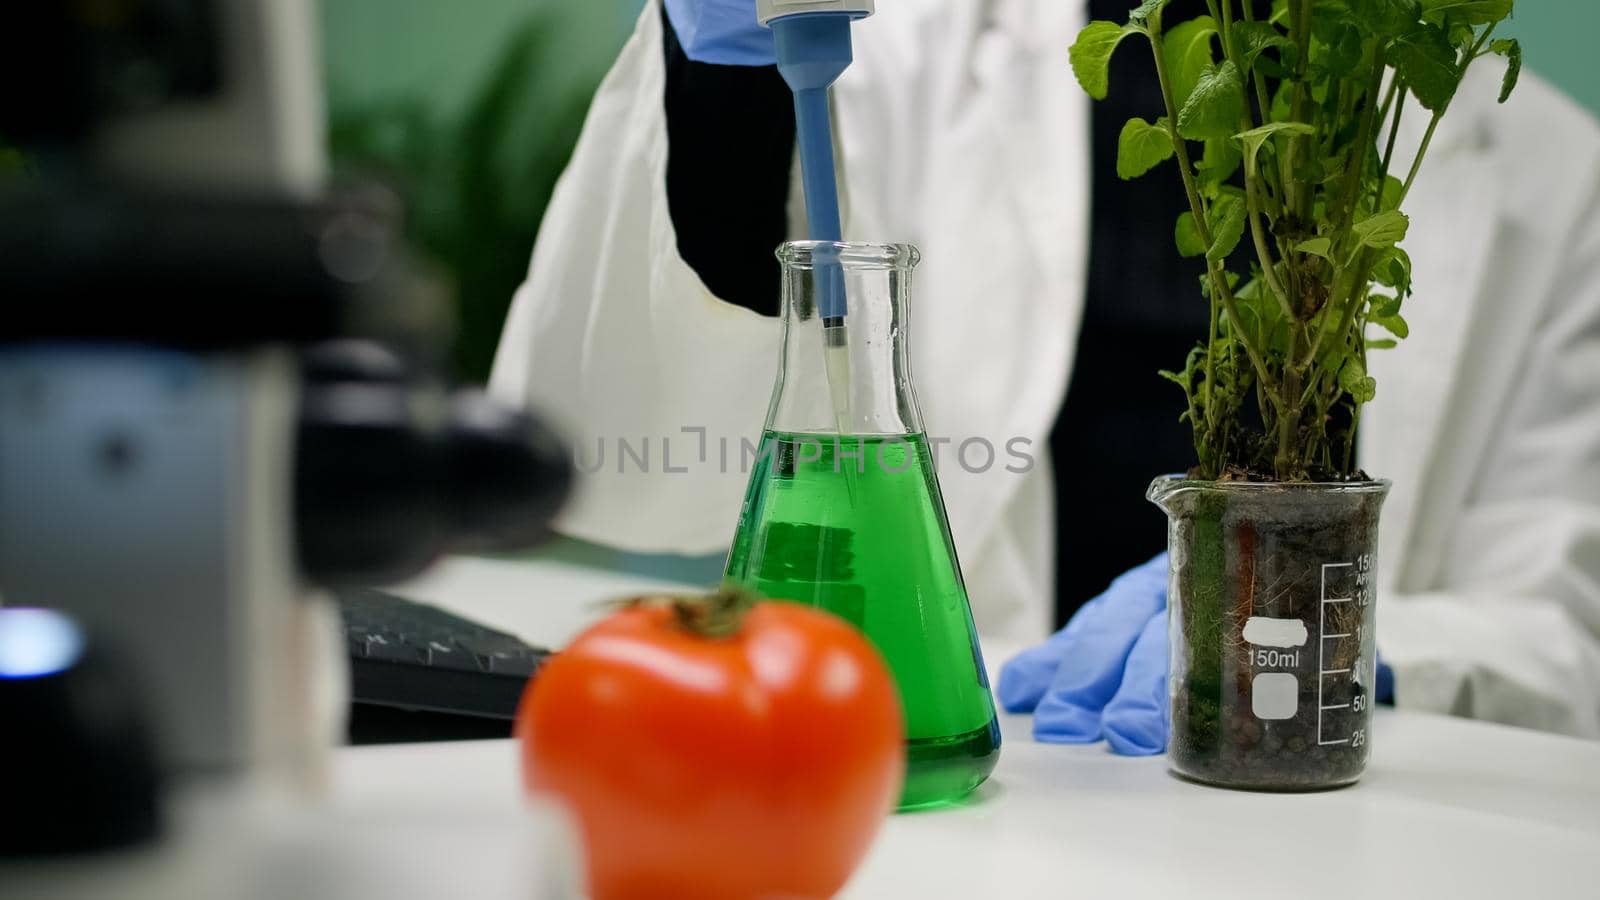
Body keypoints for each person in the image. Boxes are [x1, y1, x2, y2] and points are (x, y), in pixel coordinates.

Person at [490, 0, 1600, 745]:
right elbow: (610, 446)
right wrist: (712, 81)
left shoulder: (1550, 176)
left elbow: (1565, 632)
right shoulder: (895, 48)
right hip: (970, 801)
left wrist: (1341, 641)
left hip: (1319, 802)